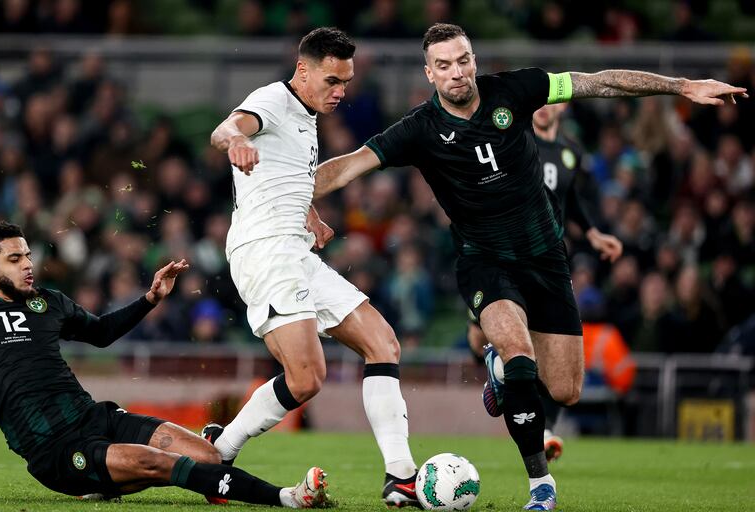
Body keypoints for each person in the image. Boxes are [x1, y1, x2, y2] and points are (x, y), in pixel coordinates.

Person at [311, 23, 746, 511]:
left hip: (546, 259)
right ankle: (540, 483)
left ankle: (501, 369)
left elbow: (597, 81)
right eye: (445, 66)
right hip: (485, 262)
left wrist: (681, 87)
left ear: (474, 59)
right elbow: (348, 165)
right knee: (520, 360)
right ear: (429, 72)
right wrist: (296, 199)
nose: (458, 73)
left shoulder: (516, 89)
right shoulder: (418, 129)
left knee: (566, 389)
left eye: (464, 60)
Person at [0, 221, 328, 508]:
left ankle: (108, 485)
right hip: (53, 450)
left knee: (208, 456)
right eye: (15, 259)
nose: (28, 265)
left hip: (95, 417)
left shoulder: (48, 301)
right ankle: (287, 497)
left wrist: (149, 299)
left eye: (28, 256)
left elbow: (101, 334)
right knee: (157, 462)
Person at [205, 27, 419, 507]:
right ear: (303, 70)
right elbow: (226, 128)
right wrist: (235, 140)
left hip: (296, 250)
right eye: (331, 80)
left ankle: (400, 477)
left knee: (383, 343)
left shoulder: (307, 115)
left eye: (345, 82)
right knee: (306, 379)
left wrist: (310, 214)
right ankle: (220, 450)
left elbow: (285, 179)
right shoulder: (274, 99)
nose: (340, 92)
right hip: (265, 251)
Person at [466, 101, 624, 463]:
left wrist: (594, 234)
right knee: (480, 335)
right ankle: (500, 370)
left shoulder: (570, 151)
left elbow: (571, 198)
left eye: (548, 103)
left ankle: (538, 415)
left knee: (550, 348)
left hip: (550, 257)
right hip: (508, 250)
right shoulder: (514, 141)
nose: (539, 109)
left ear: (562, 107)